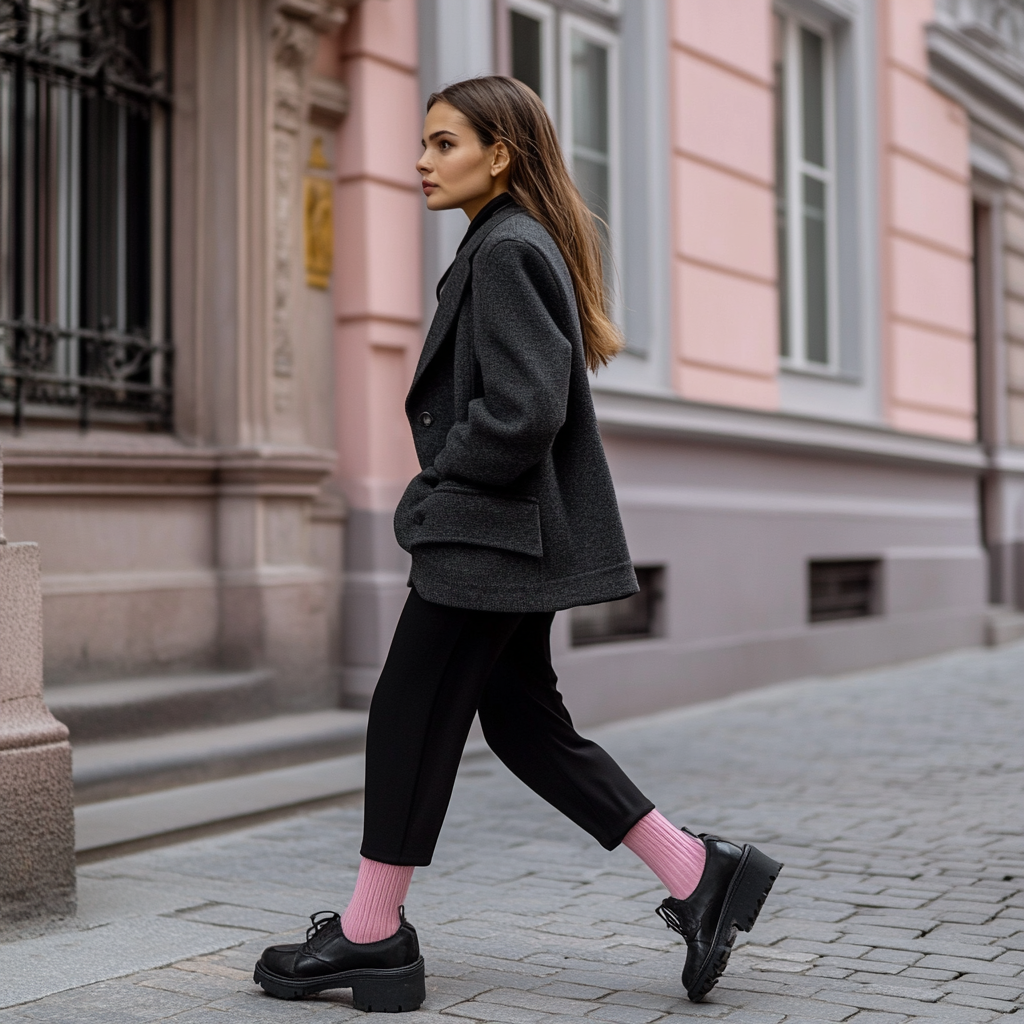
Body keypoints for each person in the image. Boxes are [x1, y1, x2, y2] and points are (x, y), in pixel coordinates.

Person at [253, 76, 782, 1013]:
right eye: (424, 143)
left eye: (444, 144)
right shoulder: (505, 242)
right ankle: (699, 872)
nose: (422, 161)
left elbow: (526, 408)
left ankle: (373, 935)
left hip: (489, 536)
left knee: (407, 713)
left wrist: (439, 484)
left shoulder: (505, 249)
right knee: (524, 722)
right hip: (508, 535)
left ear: (500, 155)